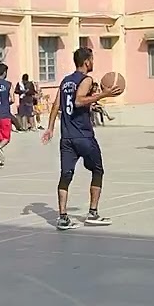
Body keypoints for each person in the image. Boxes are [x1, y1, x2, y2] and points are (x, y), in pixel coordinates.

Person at [41, 47, 120, 230]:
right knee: (98, 170)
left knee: (65, 175)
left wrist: (51, 128)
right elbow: (78, 101)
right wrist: (103, 94)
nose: (93, 63)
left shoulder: (65, 81)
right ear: (87, 61)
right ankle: (93, 213)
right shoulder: (87, 79)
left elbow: (55, 106)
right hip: (83, 135)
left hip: (67, 137)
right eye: (92, 59)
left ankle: (62, 217)